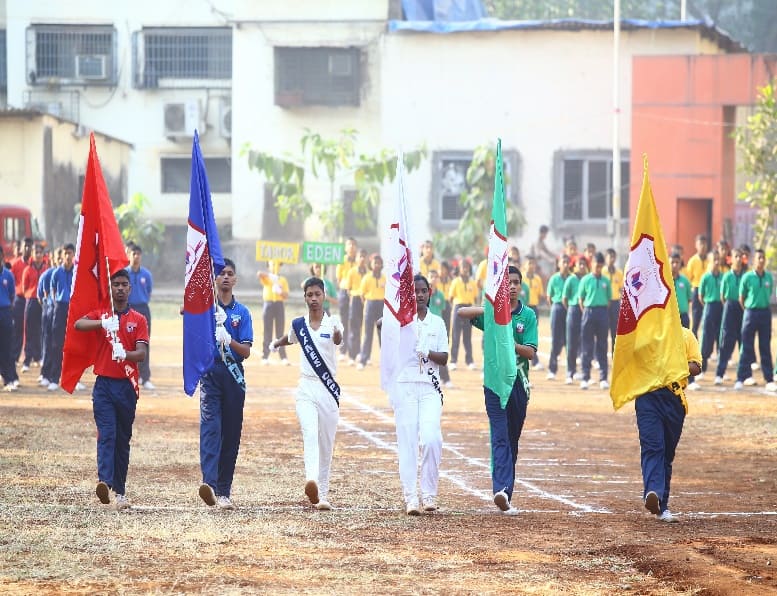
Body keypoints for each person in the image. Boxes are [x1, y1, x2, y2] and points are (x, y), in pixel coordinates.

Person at [457, 265, 537, 514]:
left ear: (521, 286)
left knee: (512, 439)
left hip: (518, 384)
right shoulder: (492, 314)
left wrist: (510, 345)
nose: (512, 286)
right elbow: (461, 313)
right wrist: (492, 309)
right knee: (500, 436)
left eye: (516, 282)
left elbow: (531, 352)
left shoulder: (527, 315)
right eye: (507, 283)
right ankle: (501, 490)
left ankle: (506, 491)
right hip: (494, 383)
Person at [74, 269, 149, 510]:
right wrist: (103, 323)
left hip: (126, 386)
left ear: (130, 288)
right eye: (116, 284)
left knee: (122, 440)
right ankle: (105, 482)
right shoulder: (103, 314)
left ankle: (120, 491)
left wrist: (125, 354)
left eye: (124, 284)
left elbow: (141, 354)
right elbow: (78, 324)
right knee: (107, 434)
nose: (120, 288)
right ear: (111, 288)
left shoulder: (138, 319)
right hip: (104, 385)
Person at [270, 277, 343, 511]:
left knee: (326, 444)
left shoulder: (332, 323)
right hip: (306, 388)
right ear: (304, 298)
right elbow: (290, 338)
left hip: (327, 390)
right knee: (310, 433)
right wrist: (276, 343)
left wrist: (337, 331)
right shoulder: (299, 324)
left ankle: (323, 495)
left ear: (324, 296)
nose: (313, 299)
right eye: (309, 295)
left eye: (317, 294)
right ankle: (311, 480)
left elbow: (338, 339)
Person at [386, 274, 448, 515]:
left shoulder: (437, 323)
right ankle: (411, 496)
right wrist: (397, 317)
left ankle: (429, 494)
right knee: (408, 442)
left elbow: (444, 357)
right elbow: (382, 325)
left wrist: (428, 352)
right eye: (415, 292)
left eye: (423, 291)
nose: (419, 295)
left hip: (430, 387)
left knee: (432, 438)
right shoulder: (403, 322)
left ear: (429, 293)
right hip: (406, 386)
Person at [198, 259, 254, 510]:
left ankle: (224, 491)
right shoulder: (207, 310)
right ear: (215, 279)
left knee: (230, 434)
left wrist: (229, 339)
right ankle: (209, 485)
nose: (226, 277)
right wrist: (203, 313)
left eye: (230, 273)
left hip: (233, 378)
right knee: (211, 428)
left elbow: (246, 351)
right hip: (211, 375)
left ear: (235, 279)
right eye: (221, 273)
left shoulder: (243, 312)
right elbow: (186, 311)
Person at [637, 327, 701, 523]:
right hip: (648, 396)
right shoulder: (646, 333)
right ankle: (654, 493)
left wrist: (674, 364)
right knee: (653, 447)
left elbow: (696, 366)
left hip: (675, 400)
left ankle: (661, 505)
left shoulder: (686, 335)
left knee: (666, 453)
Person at [734, 249, 777, 391]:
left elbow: (768, 293)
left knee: (765, 346)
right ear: (754, 260)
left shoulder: (768, 277)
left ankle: (769, 379)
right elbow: (741, 298)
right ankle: (742, 378)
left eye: (763, 258)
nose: (762, 260)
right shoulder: (747, 277)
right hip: (750, 313)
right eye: (759, 258)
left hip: (765, 313)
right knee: (746, 346)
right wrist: (749, 309)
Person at [578, 252, 612, 390]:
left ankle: (603, 378)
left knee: (602, 345)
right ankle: (585, 377)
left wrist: (601, 310)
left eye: (600, 266)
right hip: (589, 312)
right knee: (587, 346)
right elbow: (581, 299)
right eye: (596, 265)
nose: (598, 268)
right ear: (592, 264)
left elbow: (609, 300)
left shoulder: (606, 281)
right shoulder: (585, 280)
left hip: (602, 313)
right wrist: (587, 311)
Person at [714, 247, 746, 385]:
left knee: (743, 340)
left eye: (740, 256)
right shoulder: (726, 276)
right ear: (731, 259)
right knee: (726, 341)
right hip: (730, 307)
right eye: (736, 256)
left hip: (742, 308)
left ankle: (743, 375)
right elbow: (722, 297)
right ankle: (719, 374)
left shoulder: (746, 276)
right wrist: (729, 307)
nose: (738, 259)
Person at [126, 245, 155, 390]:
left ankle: (145, 377)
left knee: (144, 342)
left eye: (138, 254)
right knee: (128, 343)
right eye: (134, 253)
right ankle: (130, 375)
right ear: (129, 255)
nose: (136, 256)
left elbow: (148, 292)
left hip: (143, 310)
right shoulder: (124, 273)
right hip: (128, 310)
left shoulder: (146, 274)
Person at [47, 243, 76, 392]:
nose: (68, 256)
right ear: (62, 255)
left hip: (73, 309)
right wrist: (57, 304)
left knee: (73, 345)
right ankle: (54, 378)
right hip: (60, 308)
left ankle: (73, 379)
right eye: (65, 253)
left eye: (70, 253)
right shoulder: (57, 272)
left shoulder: (77, 272)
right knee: (56, 344)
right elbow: (52, 291)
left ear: (74, 255)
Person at [696, 253, 723, 383]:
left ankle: (721, 371)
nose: (716, 262)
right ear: (710, 262)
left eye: (718, 260)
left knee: (721, 338)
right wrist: (708, 304)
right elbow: (700, 296)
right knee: (706, 339)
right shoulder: (705, 277)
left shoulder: (723, 277)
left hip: (721, 308)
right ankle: (703, 369)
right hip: (709, 307)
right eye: (714, 260)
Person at [257, 261, 290, 365]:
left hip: (279, 304)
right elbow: (259, 274)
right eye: (273, 264)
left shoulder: (282, 280)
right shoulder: (267, 278)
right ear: (268, 266)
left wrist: (280, 291)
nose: (276, 266)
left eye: (277, 265)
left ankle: (283, 357)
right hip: (268, 304)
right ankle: (265, 356)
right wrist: (272, 277)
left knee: (280, 331)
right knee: (267, 331)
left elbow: (286, 295)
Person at [447, 259, 478, 370]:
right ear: (459, 269)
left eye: (467, 266)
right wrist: (457, 307)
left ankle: (469, 361)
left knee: (467, 337)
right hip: (458, 308)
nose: (465, 268)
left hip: (469, 309)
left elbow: (475, 298)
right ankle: (453, 361)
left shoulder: (472, 282)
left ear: (469, 268)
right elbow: (450, 298)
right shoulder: (455, 282)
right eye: (463, 266)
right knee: (455, 336)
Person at [21, 244, 47, 372]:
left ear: (43, 255)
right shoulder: (27, 270)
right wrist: (31, 295)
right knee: (29, 331)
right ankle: (27, 360)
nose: (38, 255)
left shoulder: (47, 269)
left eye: (40, 252)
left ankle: (39, 357)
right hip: (31, 301)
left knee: (42, 330)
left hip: (43, 302)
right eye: (36, 252)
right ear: (32, 254)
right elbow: (24, 288)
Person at [563, 257, 588, 384]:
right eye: (580, 264)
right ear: (575, 266)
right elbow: (564, 298)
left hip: (586, 311)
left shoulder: (588, 279)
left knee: (585, 343)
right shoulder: (571, 279)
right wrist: (571, 310)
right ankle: (570, 372)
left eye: (584, 264)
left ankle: (584, 373)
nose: (582, 266)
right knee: (571, 344)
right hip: (573, 310)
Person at [358, 254, 385, 370]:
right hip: (370, 305)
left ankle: (385, 361)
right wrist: (368, 304)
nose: (377, 265)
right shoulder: (366, 278)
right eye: (375, 263)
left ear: (381, 265)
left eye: (379, 263)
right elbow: (362, 294)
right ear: (371, 265)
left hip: (381, 306)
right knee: (367, 334)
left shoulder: (384, 278)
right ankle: (363, 360)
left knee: (382, 334)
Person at [37, 247, 60, 388]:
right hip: (49, 313)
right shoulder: (47, 275)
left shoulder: (70, 274)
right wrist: (49, 308)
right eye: (58, 256)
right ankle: (45, 373)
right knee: (48, 343)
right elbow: (41, 297)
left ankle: (58, 373)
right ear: (52, 259)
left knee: (59, 345)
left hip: (62, 314)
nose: (60, 259)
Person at [545, 255, 570, 380]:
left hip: (570, 309)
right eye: (563, 262)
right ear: (559, 264)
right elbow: (549, 297)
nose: (565, 264)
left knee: (569, 340)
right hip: (557, 307)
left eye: (567, 262)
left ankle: (571, 371)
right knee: (556, 340)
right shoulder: (554, 278)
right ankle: (552, 369)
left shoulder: (572, 278)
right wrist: (556, 307)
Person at [10, 238, 33, 365]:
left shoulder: (34, 264)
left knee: (31, 329)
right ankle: (14, 357)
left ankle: (31, 357)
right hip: (19, 300)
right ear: (21, 248)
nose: (27, 249)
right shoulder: (15, 264)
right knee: (17, 329)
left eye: (29, 246)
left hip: (31, 300)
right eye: (25, 246)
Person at [335, 237, 358, 358]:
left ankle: (354, 351)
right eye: (349, 244)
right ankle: (343, 350)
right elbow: (338, 278)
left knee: (355, 322)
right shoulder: (342, 260)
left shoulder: (359, 260)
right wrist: (345, 288)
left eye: (354, 244)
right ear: (345, 247)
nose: (351, 247)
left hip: (356, 293)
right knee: (343, 321)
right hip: (344, 292)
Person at [0, 246, 19, 392]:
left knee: (7, 347)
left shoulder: (8, 275)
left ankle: (10, 379)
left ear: (2, 256)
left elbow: (12, 295)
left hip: (5, 313)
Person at [345, 249, 368, 364]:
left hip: (367, 301)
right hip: (355, 299)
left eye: (364, 256)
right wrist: (353, 299)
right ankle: (352, 356)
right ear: (357, 258)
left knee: (364, 328)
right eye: (360, 256)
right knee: (354, 328)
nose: (362, 259)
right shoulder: (351, 272)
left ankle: (361, 353)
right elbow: (348, 289)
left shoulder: (369, 272)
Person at [685, 234, 709, 338]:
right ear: (696, 245)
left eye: (704, 244)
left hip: (708, 292)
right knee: (695, 320)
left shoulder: (710, 260)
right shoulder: (692, 261)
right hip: (696, 290)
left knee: (708, 321)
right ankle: (694, 343)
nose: (703, 246)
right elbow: (688, 279)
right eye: (700, 244)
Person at [523, 256, 544, 370]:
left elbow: (540, 295)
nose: (531, 266)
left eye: (533, 263)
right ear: (524, 265)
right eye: (529, 263)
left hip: (534, 308)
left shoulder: (537, 279)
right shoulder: (520, 278)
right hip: (522, 308)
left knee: (532, 335)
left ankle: (534, 360)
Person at [603, 248, 623, 355]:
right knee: (602, 331)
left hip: (615, 304)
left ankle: (614, 356)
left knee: (615, 332)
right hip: (604, 304)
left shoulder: (619, 273)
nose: (612, 259)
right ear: (606, 258)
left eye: (613, 257)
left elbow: (621, 289)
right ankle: (600, 357)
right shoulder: (602, 272)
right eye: (609, 257)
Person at [670, 254, 692, 329]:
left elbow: (689, 299)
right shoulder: (665, 281)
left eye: (677, 262)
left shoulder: (685, 281)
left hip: (683, 316)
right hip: (670, 317)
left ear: (680, 264)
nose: (675, 265)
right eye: (672, 262)